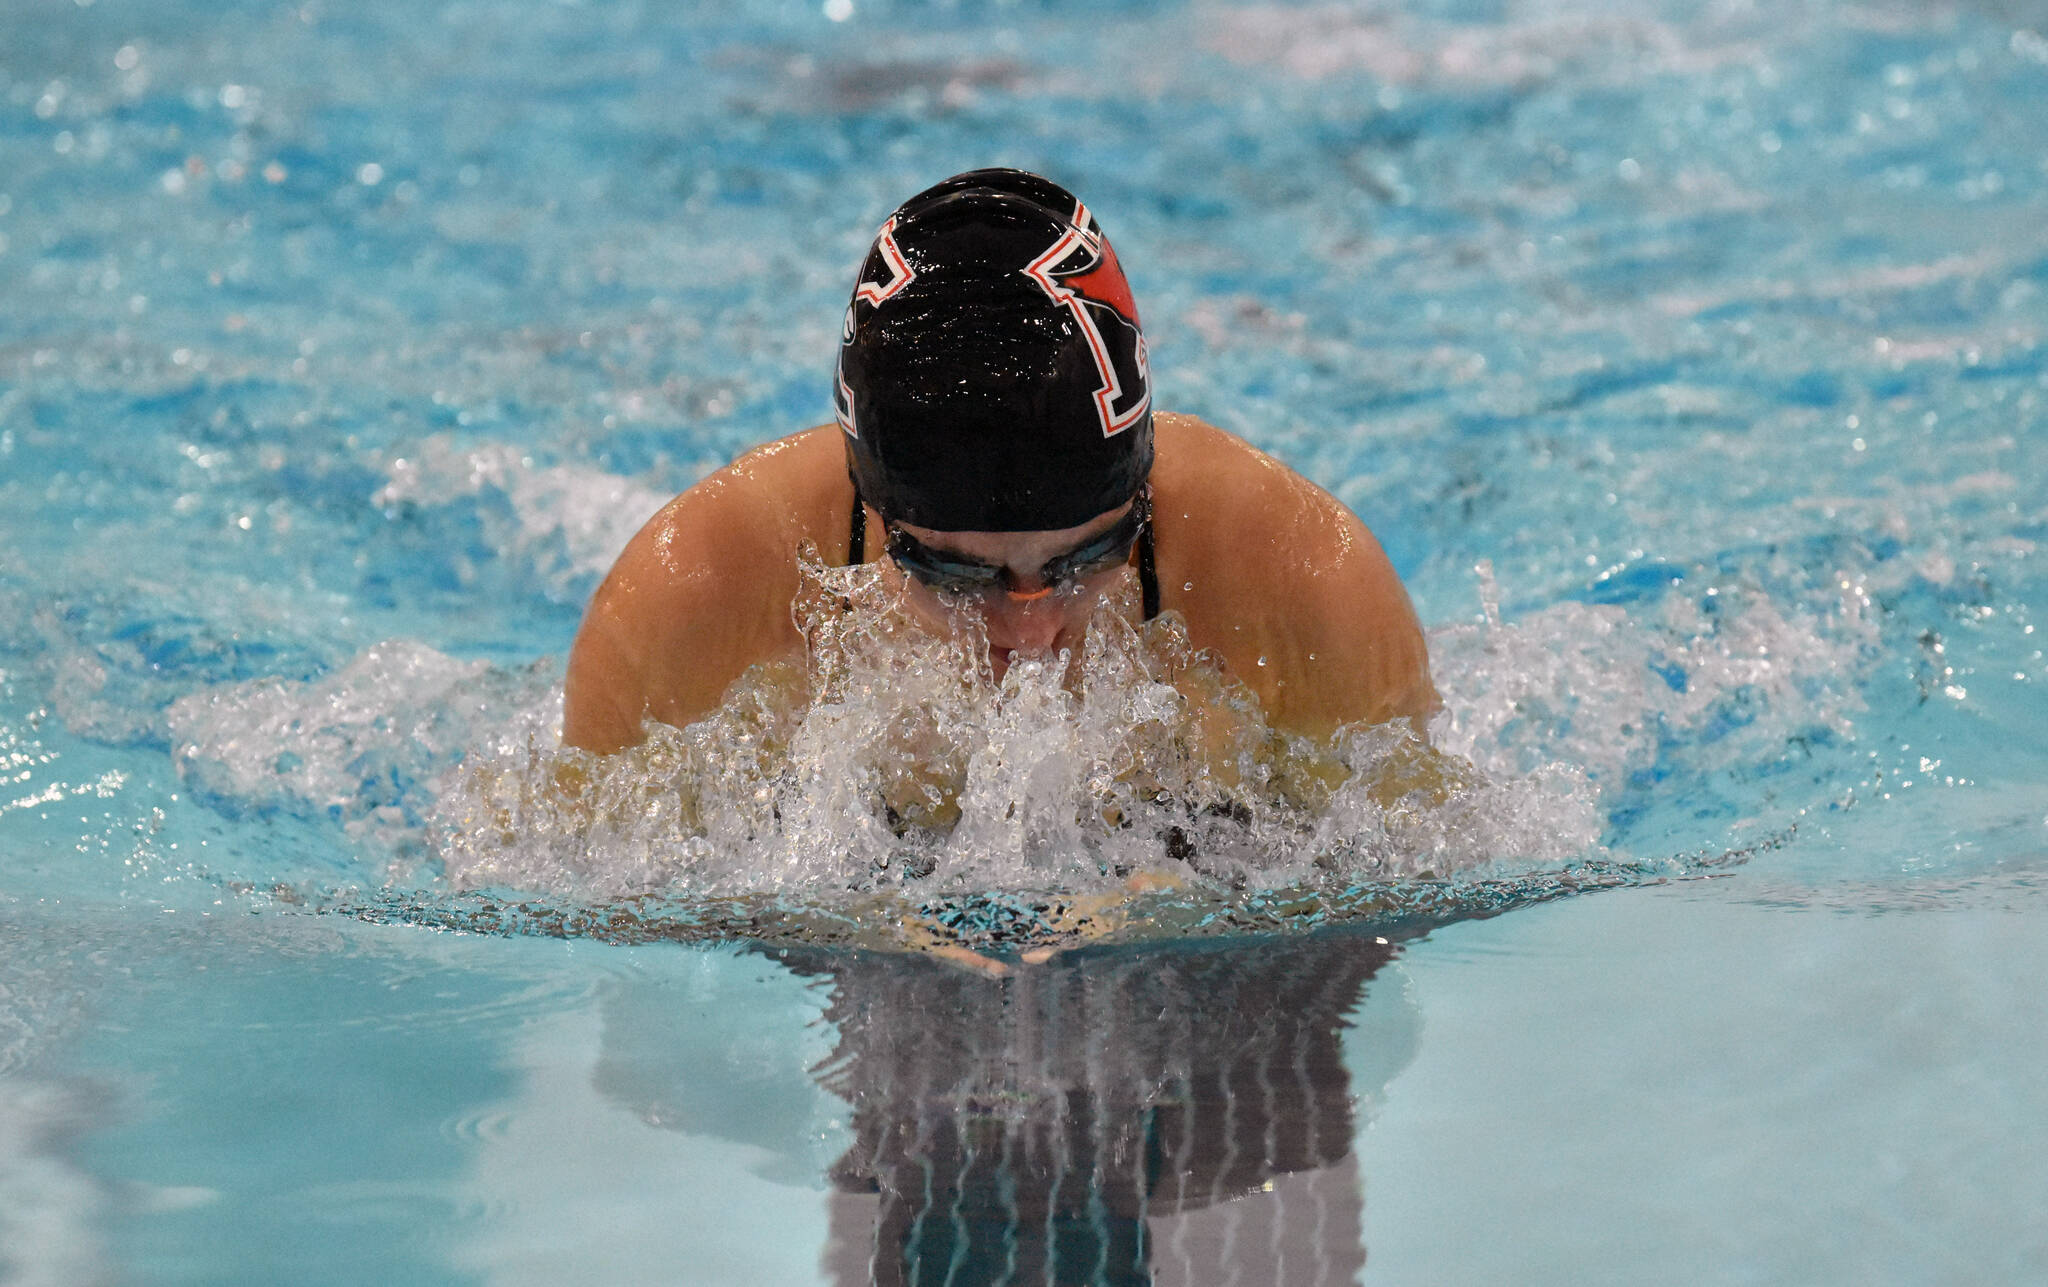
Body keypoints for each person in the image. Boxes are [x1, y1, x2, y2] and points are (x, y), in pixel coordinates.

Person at [562, 168, 1436, 756]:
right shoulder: (696, 594)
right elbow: (583, 898)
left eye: (1086, 560)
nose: (1029, 633)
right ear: (875, 515)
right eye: (952, 576)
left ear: (1141, 494)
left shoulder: (1305, 585)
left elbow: (1397, 912)